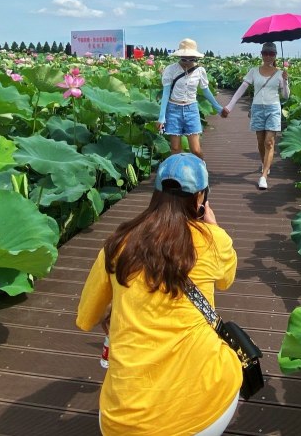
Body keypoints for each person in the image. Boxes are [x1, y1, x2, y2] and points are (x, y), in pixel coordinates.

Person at [76, 153, 241, 436]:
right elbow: (226, 280)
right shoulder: (214, 240)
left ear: (156, 193)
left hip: (122, 424)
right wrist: (213, 227)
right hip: (200, 414)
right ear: (201, 197)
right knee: (230, 363)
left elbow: (86, 316)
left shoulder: (117, 243)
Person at [222, 42, 290, 190]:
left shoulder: (280, 73)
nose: (268, 56)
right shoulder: (253, 71)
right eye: (265, 53)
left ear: (275, 55)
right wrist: (230, 105)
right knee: (260, 141)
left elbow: (285, 95)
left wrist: (285, 80)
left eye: (271, 53)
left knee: (269, 142)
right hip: (257, 108)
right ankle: (265, 163)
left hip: (273, 108)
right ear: (261, 54)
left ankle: (264, 175)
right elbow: (242, 88)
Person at [157, 38, 224, 159]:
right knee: (175, 149)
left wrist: (218, 107)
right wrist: (161, 117)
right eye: (184, 58)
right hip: (173, 109)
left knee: (196, 150)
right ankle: (177, 175)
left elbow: (206, 91)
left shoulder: (200, 71)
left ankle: (201, 172)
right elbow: (166, 94)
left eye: (191, 58)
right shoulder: (171, 69)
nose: (187, 61)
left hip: (191, 110)